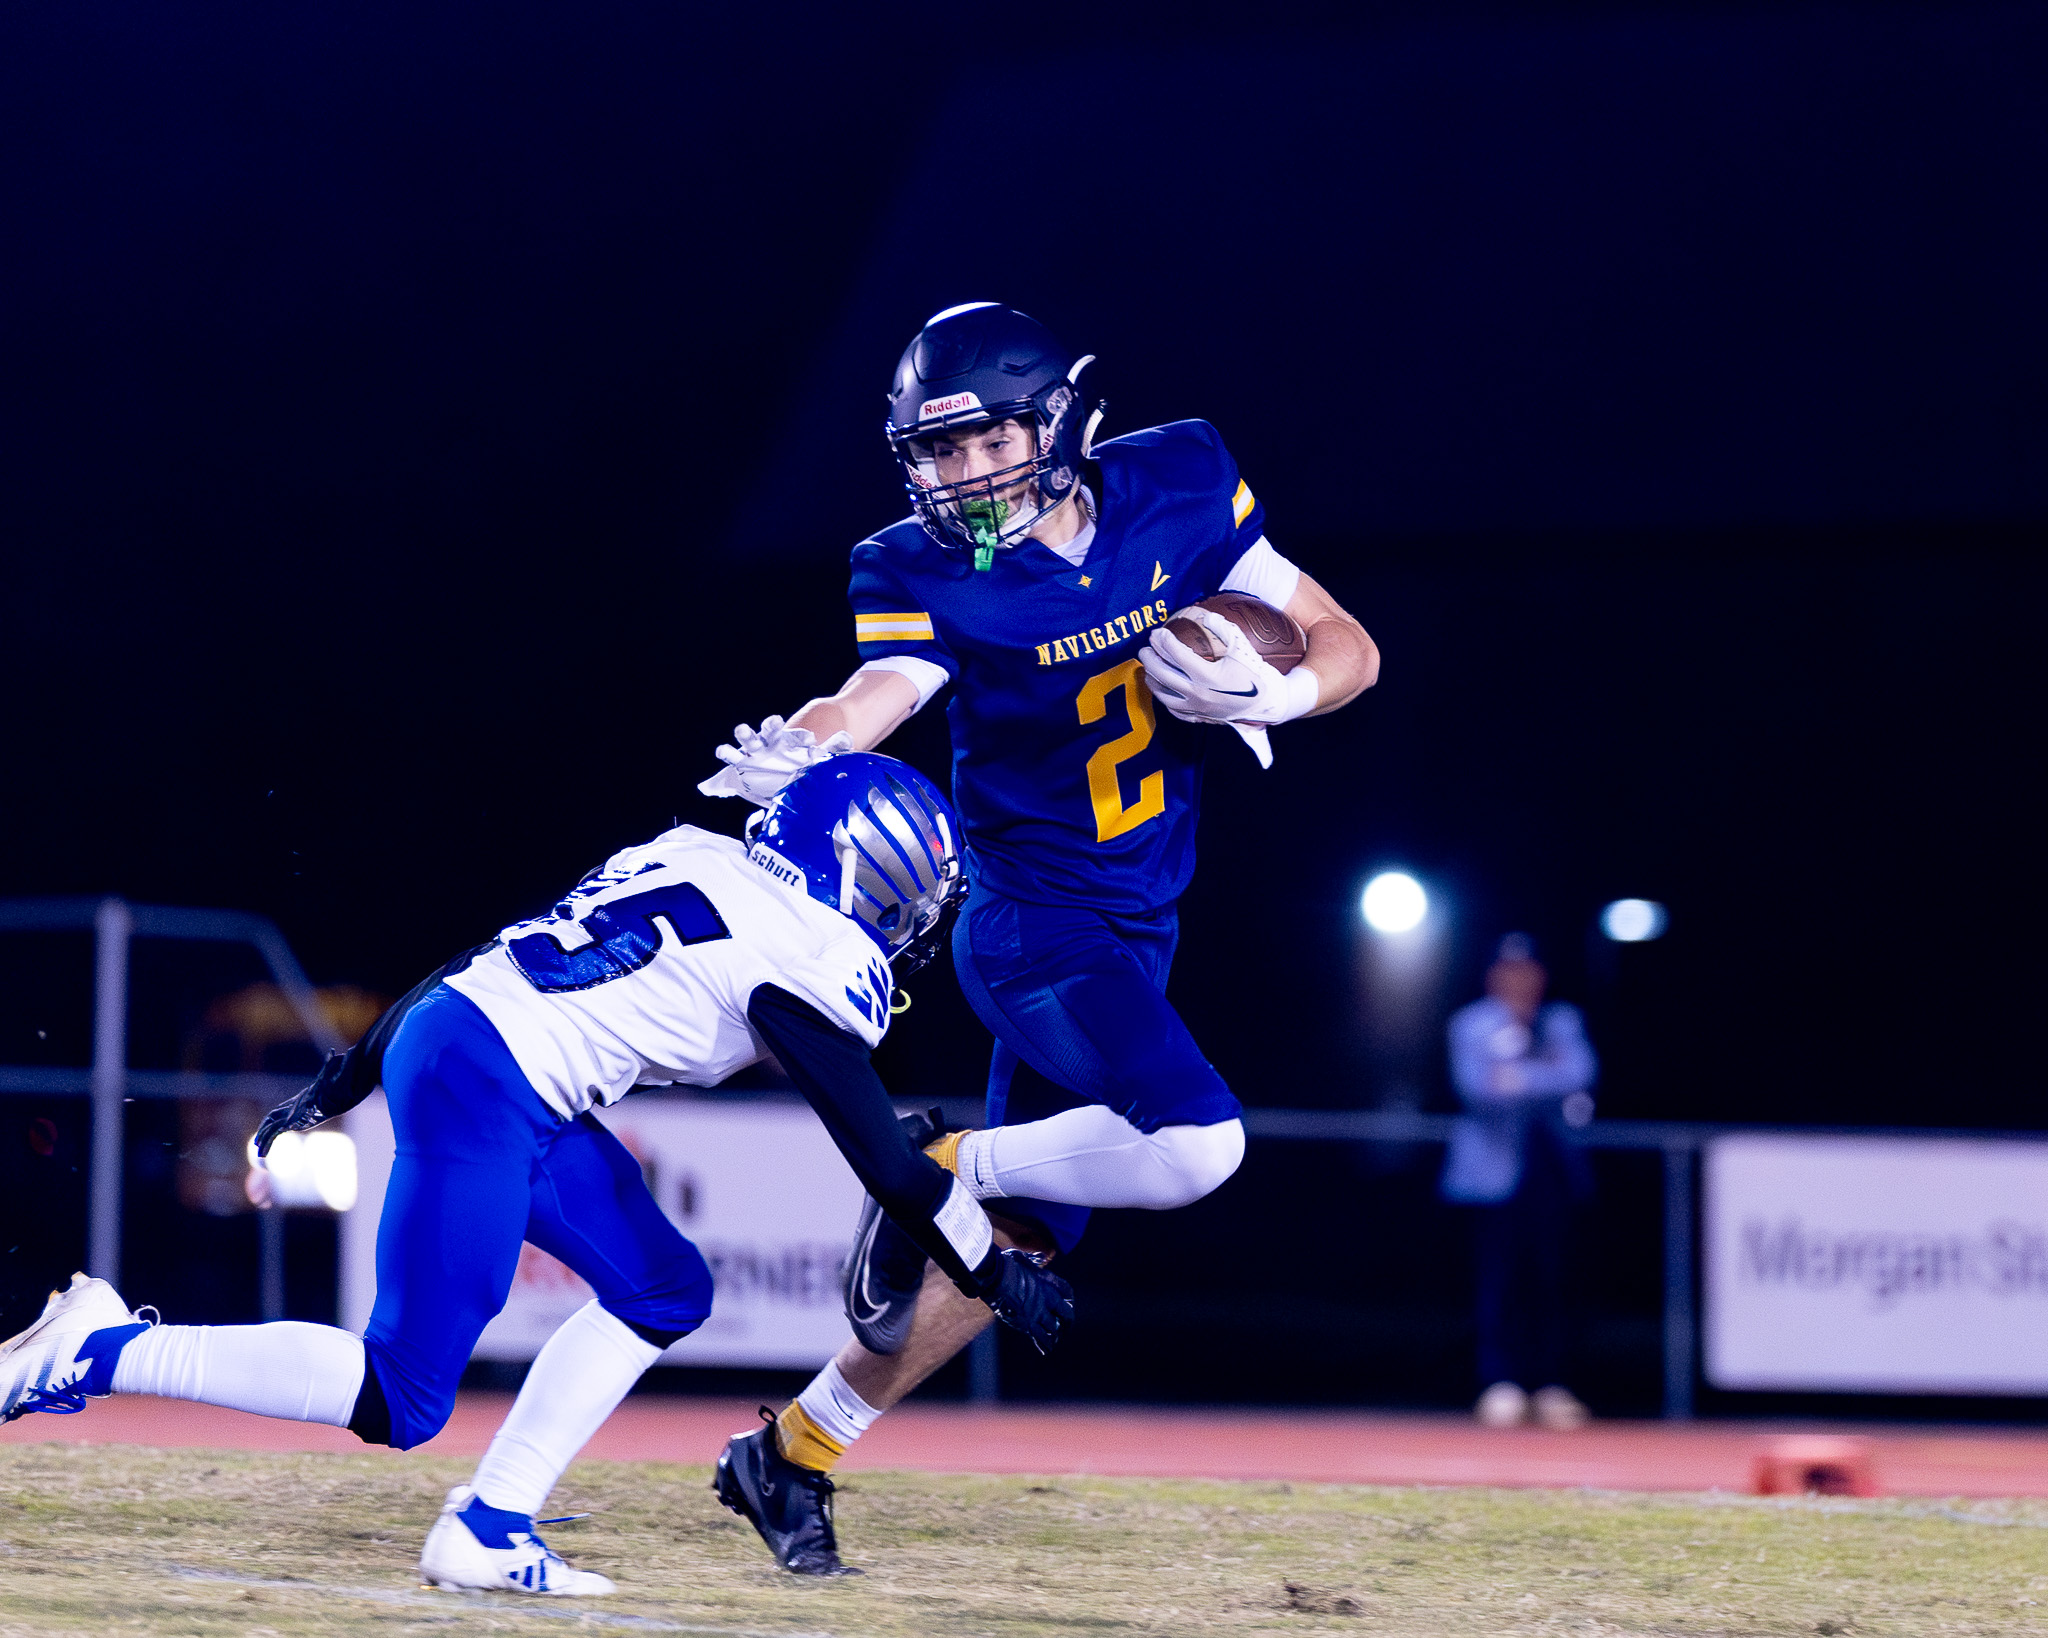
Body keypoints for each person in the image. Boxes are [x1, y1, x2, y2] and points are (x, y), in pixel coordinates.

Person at [0, 754, 1071, 1595]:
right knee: (399, 1394)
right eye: (911, 893)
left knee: (665, 1289)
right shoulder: (809, 955)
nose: (912, 919)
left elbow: (480, 957)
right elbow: (883, 1160)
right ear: (870, 874)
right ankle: (99, 1349)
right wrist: (989, 1265)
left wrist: (342, 1077)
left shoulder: (692, 854)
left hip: (474, 1046)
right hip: (489, 1082)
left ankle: (491, 1523)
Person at [698, 301, 1379, 1573]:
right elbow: (881, 690)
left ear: (1055, 419)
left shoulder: (1178, 479)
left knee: (1009, 1255)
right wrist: (813, 745)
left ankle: (789, 1453)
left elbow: (1351, 644)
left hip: (1139, 922)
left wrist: (1276, 688)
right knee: (1198, 1149)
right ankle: (942, 1157)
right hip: (1029, 928)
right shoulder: (911, 567)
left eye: (984, 442)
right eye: (936, 454)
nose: (963, 477)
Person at [1440, 933, 1598, 1430]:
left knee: (1551, 1278)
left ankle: (1550, 1383)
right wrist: (1542, 1077)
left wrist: (1518, 1077)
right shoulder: (1472, 1023)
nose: (1519, 981)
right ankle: (1498, 1381)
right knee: (1497, 1279)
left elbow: (1581, 1073)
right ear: (1493, 977)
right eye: (1509, 971)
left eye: (1528, 971)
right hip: (1492, 1174)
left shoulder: (1560, 1020)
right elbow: (1478, 1089)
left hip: (1550, 1169)